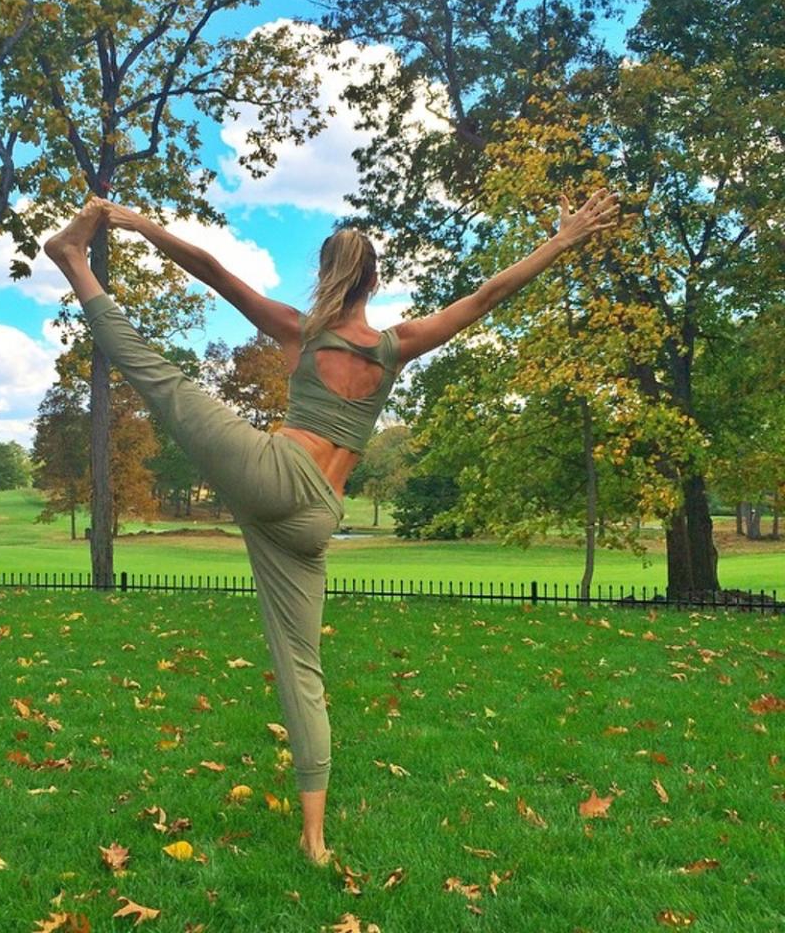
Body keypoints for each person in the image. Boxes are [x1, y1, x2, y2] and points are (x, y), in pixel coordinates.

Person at [44, 188, 620, 865]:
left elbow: (213, 271)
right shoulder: (396, 347)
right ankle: (314, 839)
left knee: (163, 382)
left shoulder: (299, 331)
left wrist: (138, 222)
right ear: (374, 280)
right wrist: (565, 237)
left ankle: (73, 262)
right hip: (317, 519)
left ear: (325, 276)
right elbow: (490, 295)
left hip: (275, 475)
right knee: (302, 671)